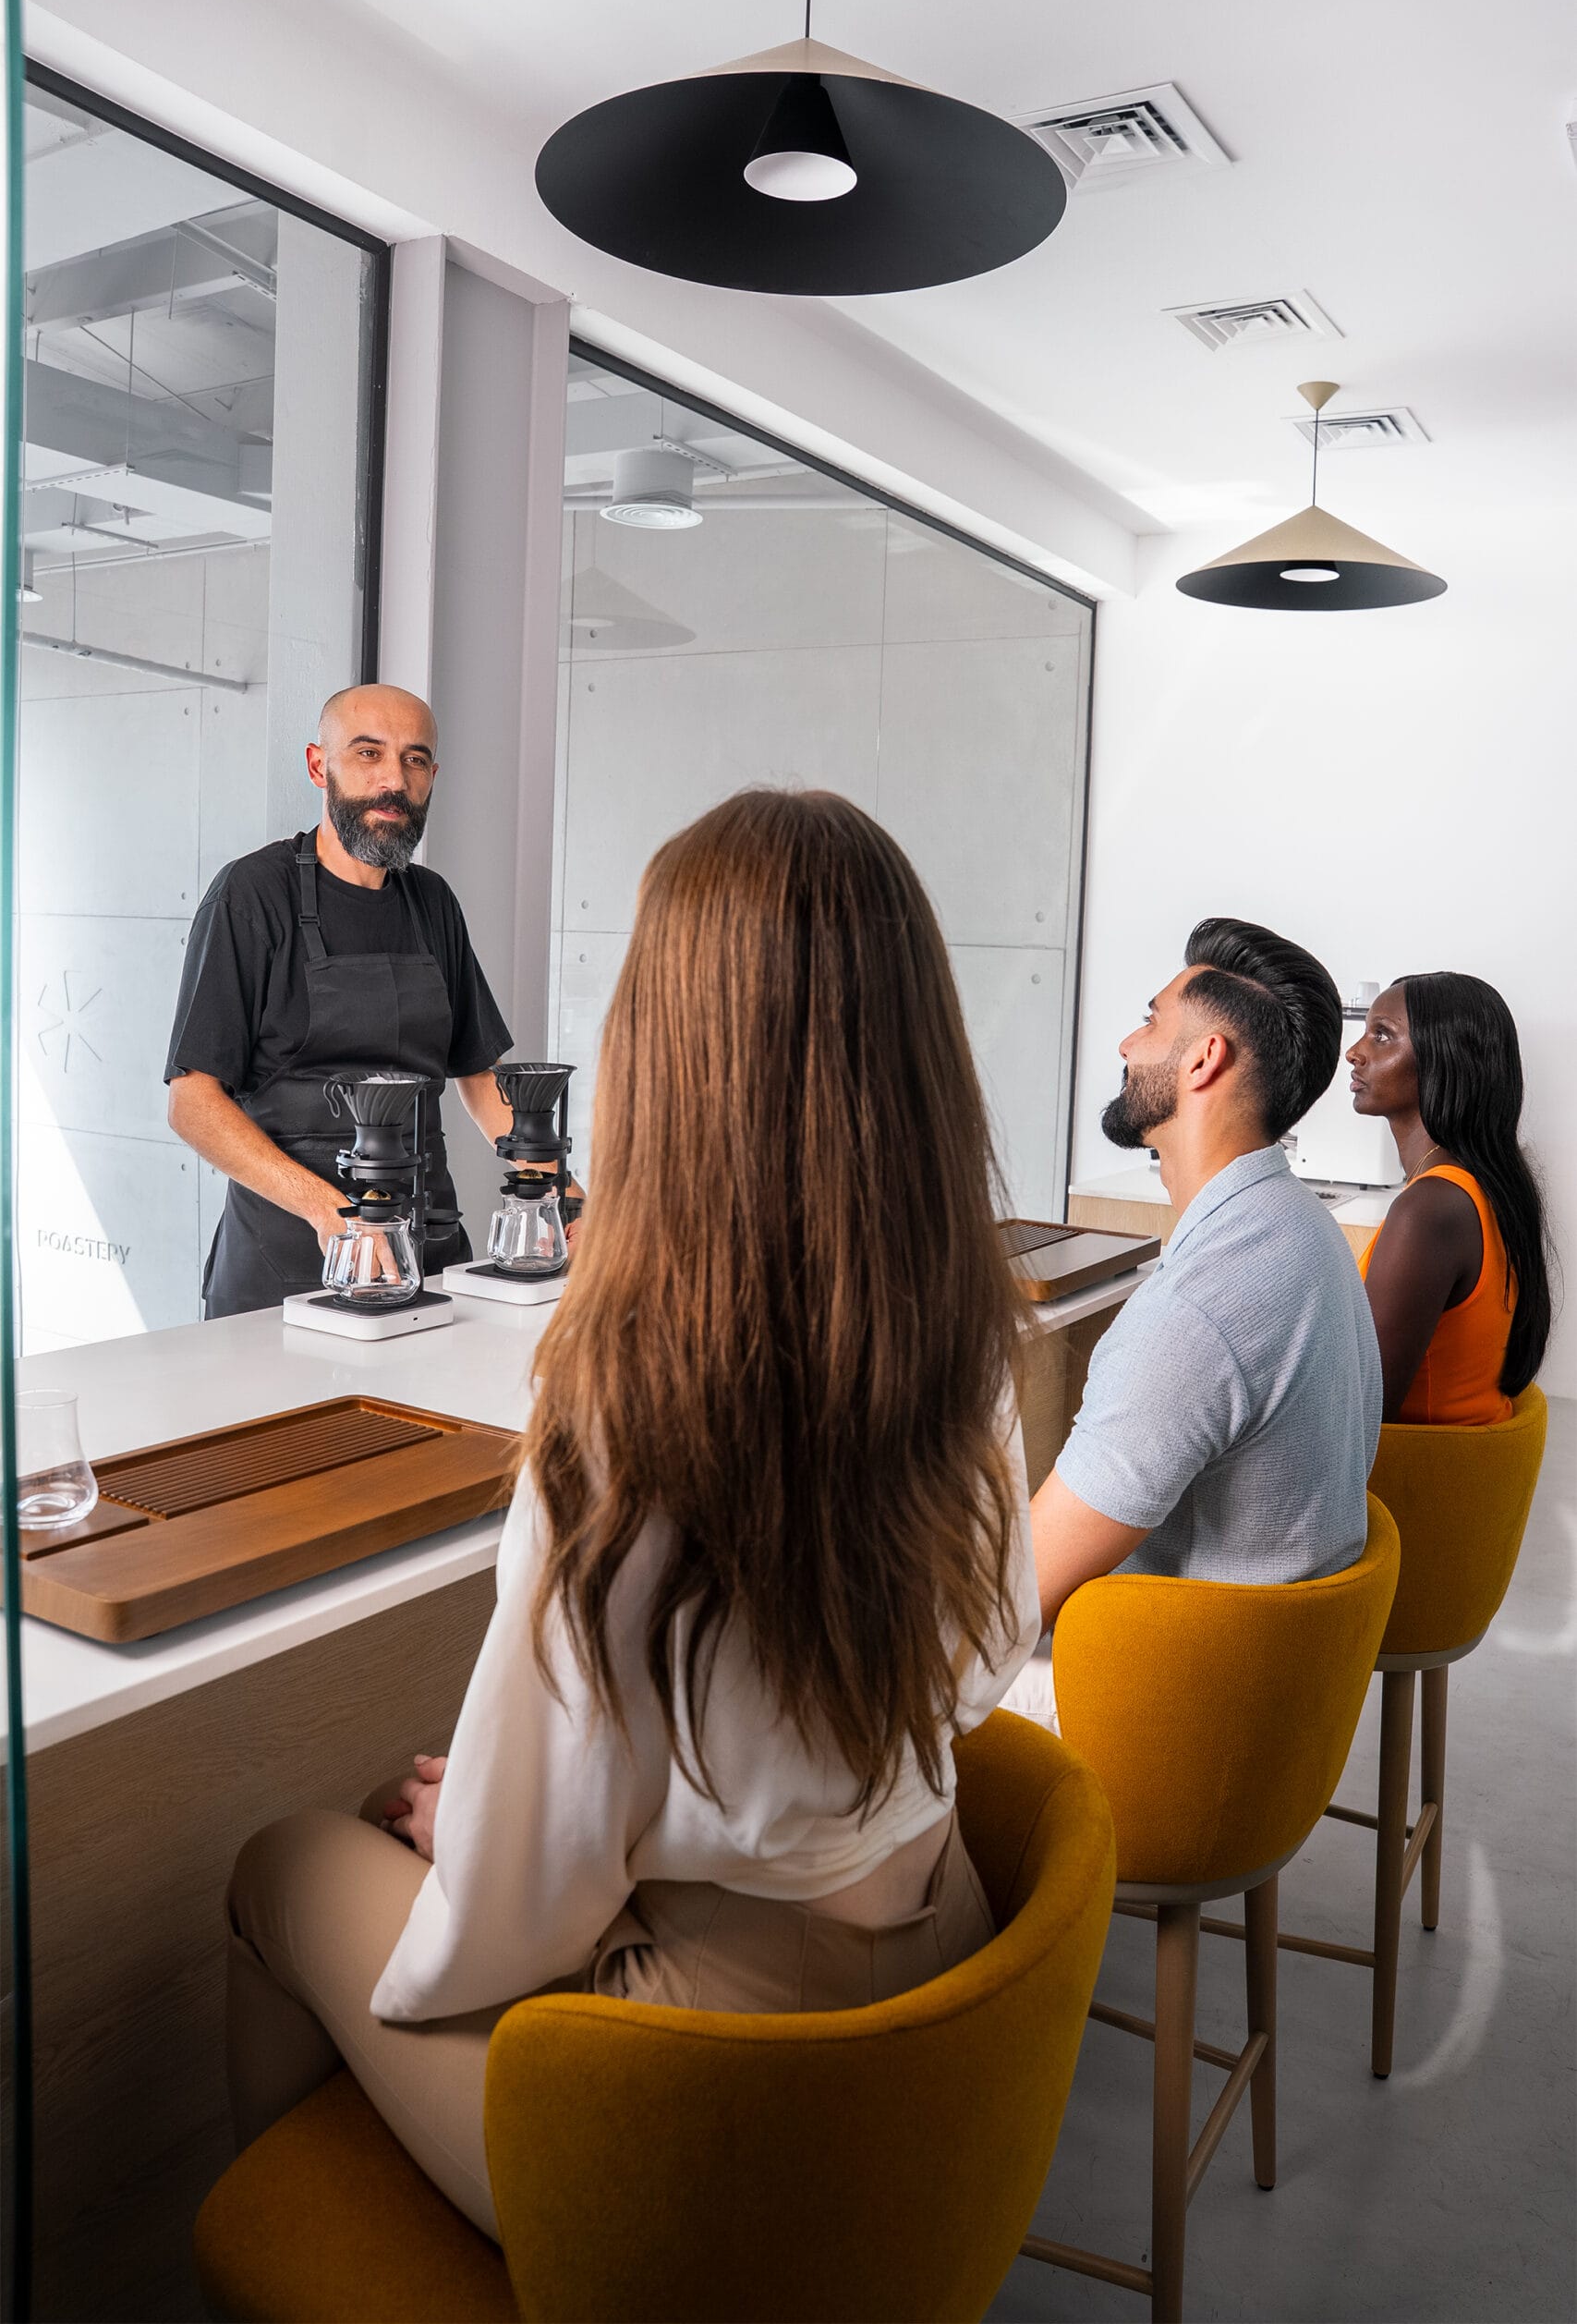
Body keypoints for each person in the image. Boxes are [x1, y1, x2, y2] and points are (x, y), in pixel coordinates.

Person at [223, 789, 1043, 2239]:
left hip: (698, 2098)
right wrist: (537, 1820)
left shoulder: (628, 1406)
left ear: (666, 1053)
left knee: (287, 1863)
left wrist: (477, 1832)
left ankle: (321, 2252)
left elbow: (520, 1901)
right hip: (937, 1973)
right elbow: (984, 1656)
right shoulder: (963, 1334)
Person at [1007, 918, 1381, 1729]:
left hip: (1172, 1713)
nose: (1124, 1044)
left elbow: (1011, 1604)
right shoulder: (1304, 1229)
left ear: (1203, 1058)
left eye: (1149, 1021)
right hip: (1272, 1704)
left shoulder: (1195, 1311)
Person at [166, 684, 524, 1317]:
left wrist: (553, 1183)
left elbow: (477, 1075)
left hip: (427, 1257)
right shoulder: (252, 894)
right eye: (367, 753)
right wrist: (328, 1212)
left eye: (414, 760)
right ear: (318, 765)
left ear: (432, 777)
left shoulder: (432, 902)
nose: (393, 780)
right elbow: (192, 1104)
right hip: (285, 1269)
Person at [1347, 973, 1551, 1423]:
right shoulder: (1478, 1185)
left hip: (1413, 1465)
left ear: (1444, 1060)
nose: (1354, 1052)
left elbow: (1363, 1408)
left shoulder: (1430, 1209)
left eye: (1382, 1035)